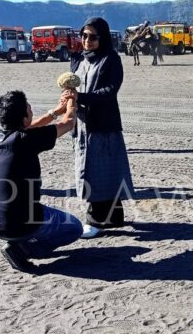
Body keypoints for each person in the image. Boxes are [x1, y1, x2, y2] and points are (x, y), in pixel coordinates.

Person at [0, 90, 81, 272]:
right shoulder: (26, 140)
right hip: (18, 222)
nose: (31, 110)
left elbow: (28, 128)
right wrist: (72, 100)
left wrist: (55, 111)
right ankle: (22, 249)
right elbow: (68, 123)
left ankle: (20, 242)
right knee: (74, 227)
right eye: (29, 108)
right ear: (24, 116)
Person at [63, 17, 134, 238]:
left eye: (93, 37)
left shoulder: (111, 59)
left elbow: (109, 91)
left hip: (103, 125)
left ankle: (95, 220)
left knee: (97, 172)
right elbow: (74, 86)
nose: (87, 41)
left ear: (102, 38)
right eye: (84, 36)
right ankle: (114, 217)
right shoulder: (79, 61)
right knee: (101, 171)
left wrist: (80, 96)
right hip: (83, 125)